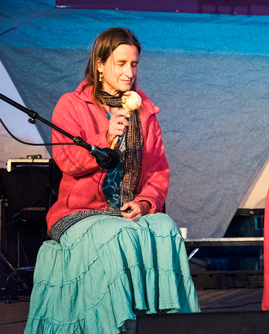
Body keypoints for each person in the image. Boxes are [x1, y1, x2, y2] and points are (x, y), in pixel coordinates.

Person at [24, 28, 200, 334]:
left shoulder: (144, 111)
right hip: (80, 213)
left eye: (133, 64)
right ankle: (116, 327)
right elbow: (67, 161)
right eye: (121, 64)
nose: (129, 72)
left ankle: (169, 325)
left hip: (126, 212)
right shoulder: (72, 105)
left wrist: (145, 202)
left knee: (164, 228)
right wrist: (104, 138)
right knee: (116, 233)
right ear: (100, 65)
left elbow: (158, 169)